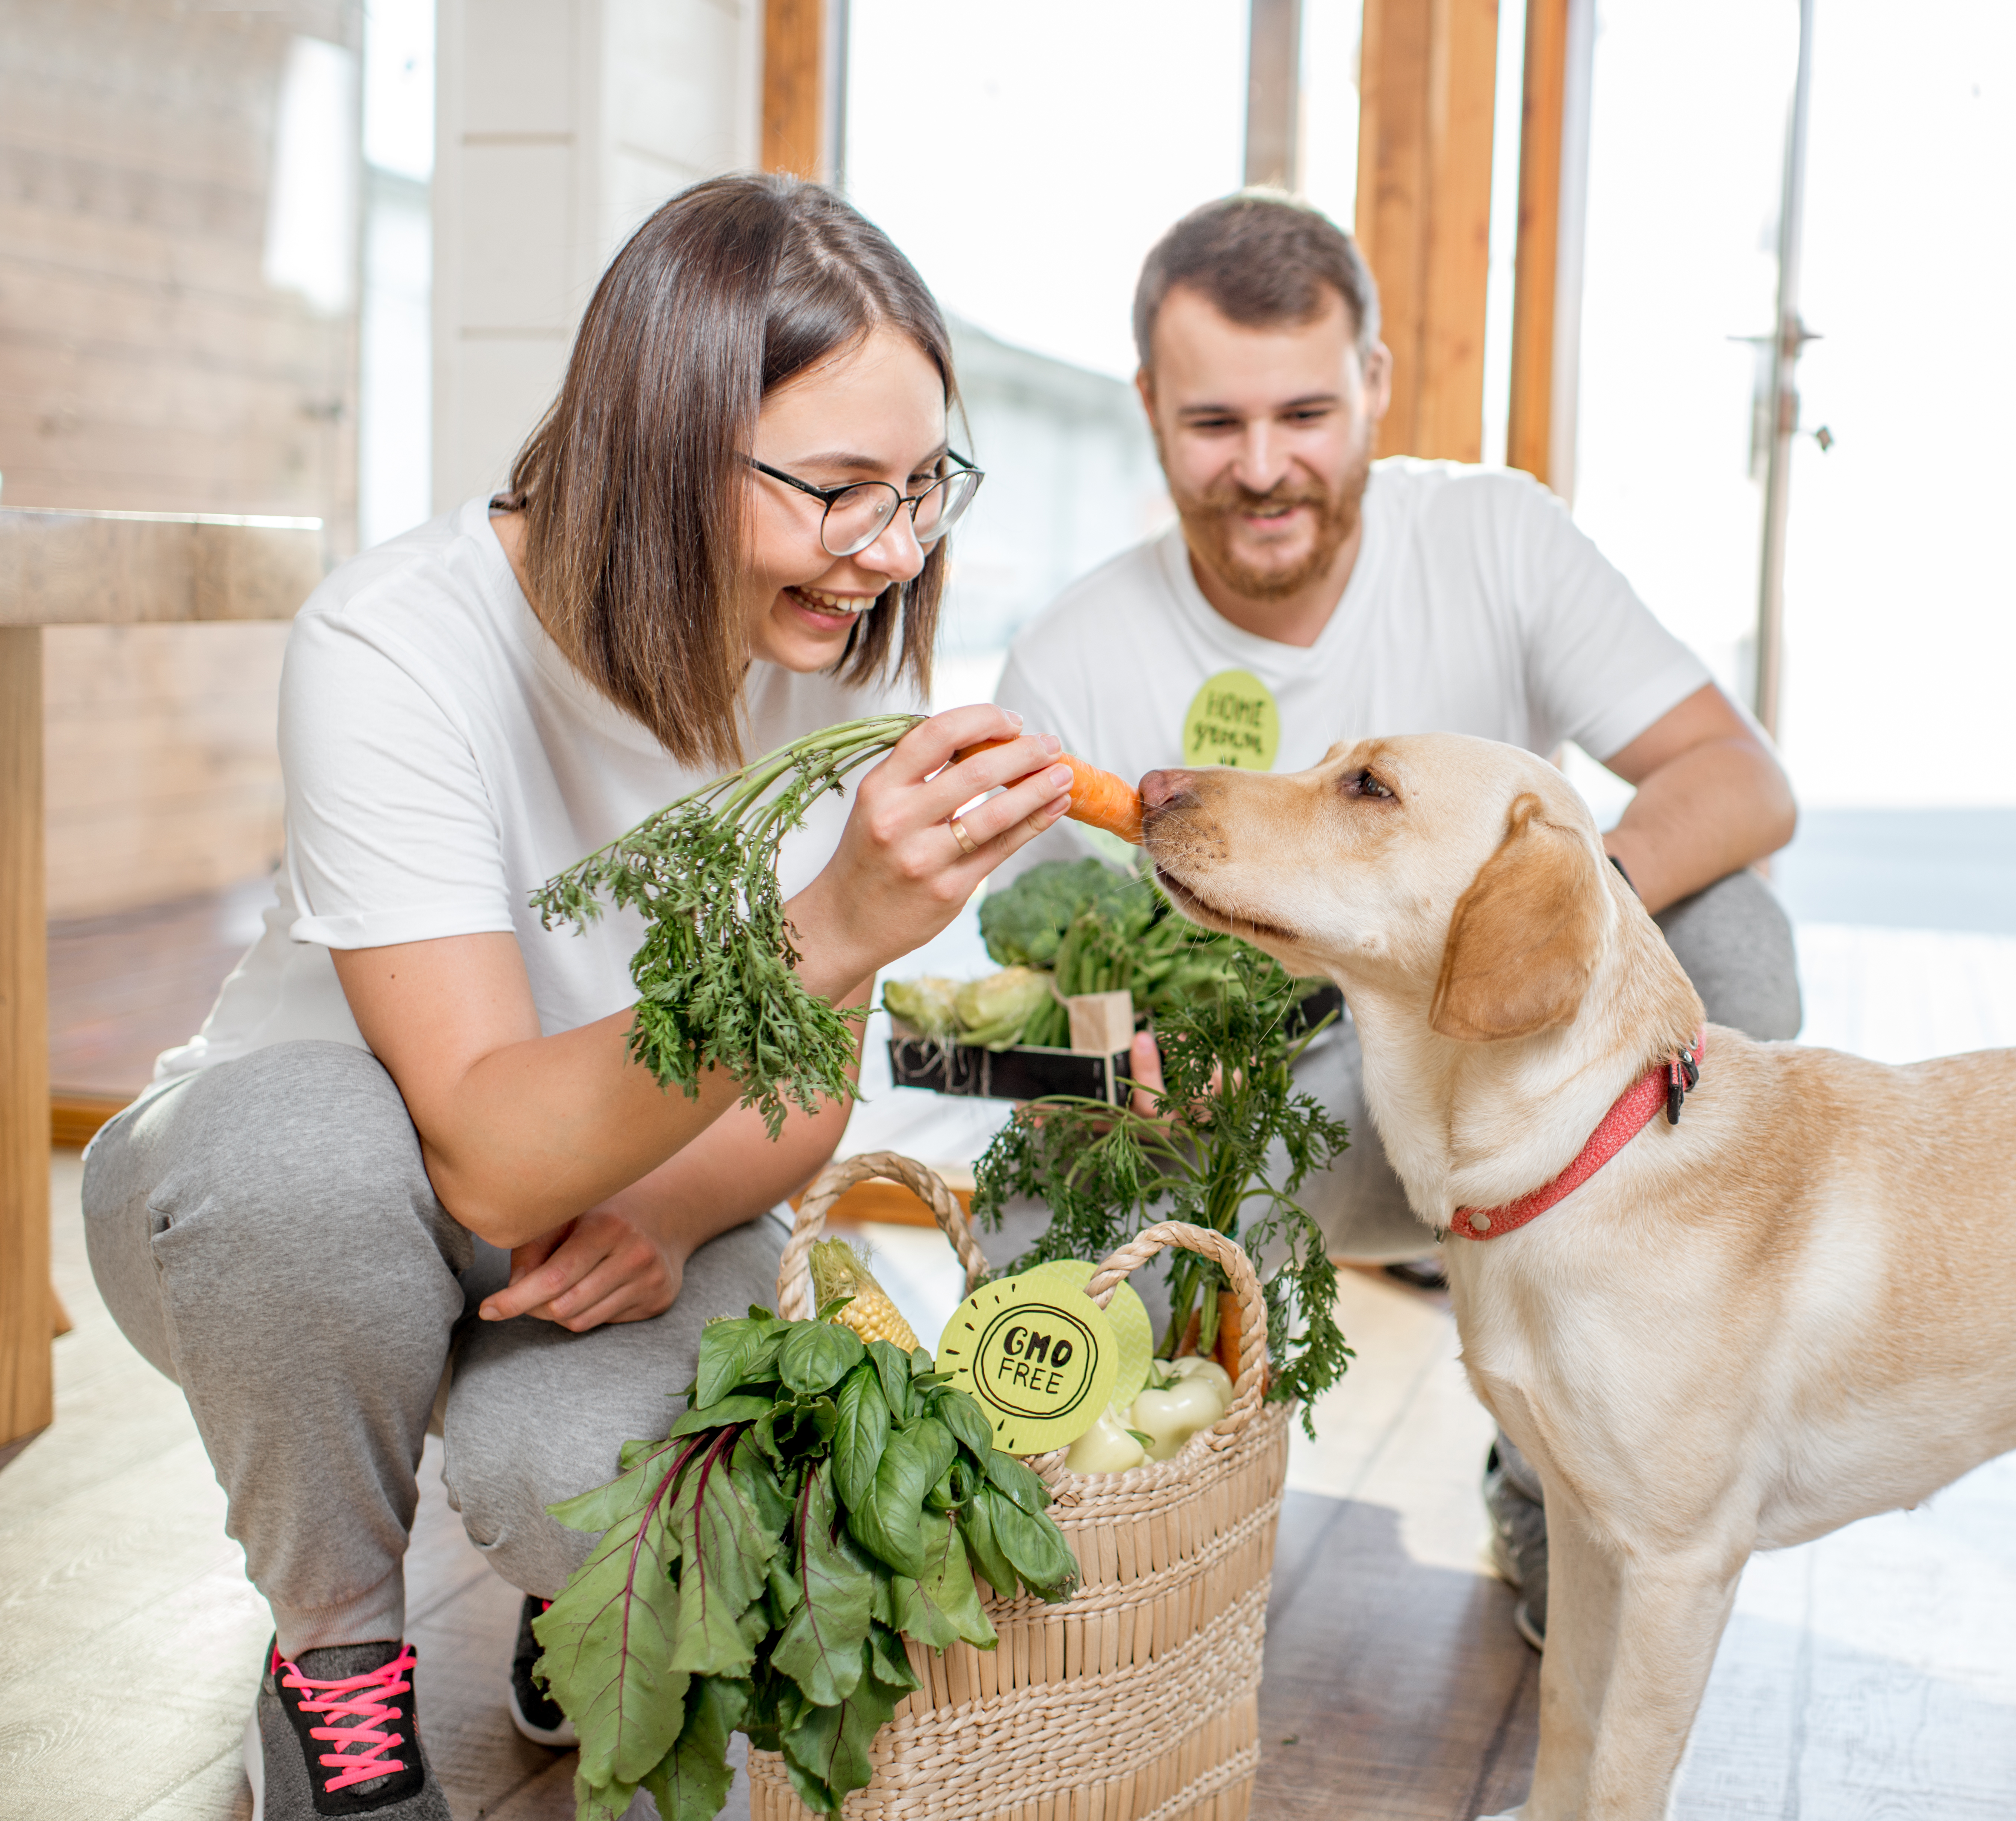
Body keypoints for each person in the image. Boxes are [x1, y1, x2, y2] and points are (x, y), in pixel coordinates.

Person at [80, 176, 1077, 1820]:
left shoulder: (839, 641)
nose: (891, 553)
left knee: (593, 1494)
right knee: (309, 1164)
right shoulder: (398, 643)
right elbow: (473, 1148)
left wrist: (682, 1208)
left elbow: (806, 1088)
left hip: (622, 1195)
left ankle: (576, 1607)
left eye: (918, 488)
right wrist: (834, 923)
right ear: (665, 446)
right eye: (837, 492)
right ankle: (337, 1665)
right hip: (284, 1220)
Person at [989, 191, 1804, 1648]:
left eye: (1304, 410)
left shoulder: (1490, 536)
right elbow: (1008, 1014)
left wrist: (1534, 918)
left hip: (1501, 1087)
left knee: (1729, 939)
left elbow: (1739, 778)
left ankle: (1569, 1483)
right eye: (1212, 423)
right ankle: (1142, 1555)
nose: (1262, 468)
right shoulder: (1073, 656)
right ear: (1148, 407)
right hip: (1251, 1124)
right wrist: (1116, 1060)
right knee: (1031, 1207)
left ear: (1372, 382)